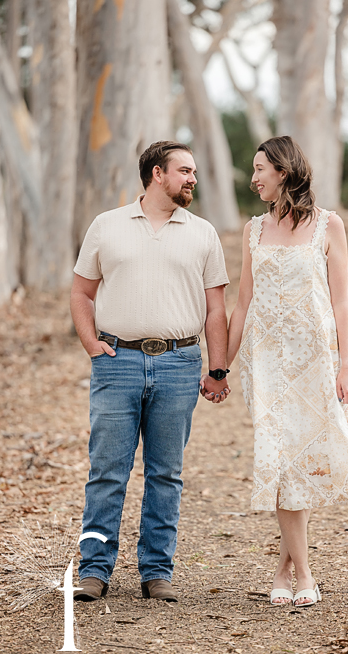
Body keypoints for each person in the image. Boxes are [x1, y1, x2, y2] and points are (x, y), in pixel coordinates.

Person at [70, 141, 231, 602]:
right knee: (107, 472)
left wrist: (217, 369)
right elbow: (81, 293)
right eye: (184, 171)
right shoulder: (107, 225)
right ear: (157, 174)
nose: (192, 179)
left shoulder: (203, 233)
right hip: (117, 363)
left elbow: (215, 309)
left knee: (166, 473)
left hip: (180, 364)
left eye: (195, 171)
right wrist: (91, 344)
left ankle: (157, 571)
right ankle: (94, 571)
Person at [225, 136, 348, 607]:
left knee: (302, 460)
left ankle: (285, 568)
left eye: (260, 168)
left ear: (283, 171)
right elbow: (242, 302)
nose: (254, 177)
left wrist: (347, 363)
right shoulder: (253, 230)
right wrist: (220, 366)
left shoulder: (329, 225)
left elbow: (341, 300)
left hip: (315, 360)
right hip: (264, 362)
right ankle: (304, 572)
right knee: (279, 459)